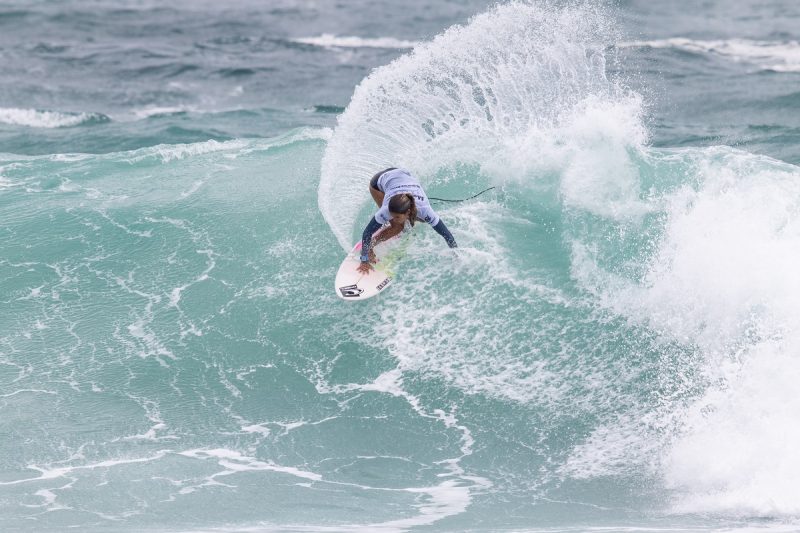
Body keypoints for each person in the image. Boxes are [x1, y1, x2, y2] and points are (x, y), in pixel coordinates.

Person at [357, 167, 457, 274]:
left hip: (400, 175)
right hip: (378, 183)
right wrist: (364, 259)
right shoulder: (386, 210)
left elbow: (446, 234)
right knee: (397, 227)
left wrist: (456, 253)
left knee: (422, 220)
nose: (392, 217)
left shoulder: (425, 210)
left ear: (408, 211)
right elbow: (367, 232)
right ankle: (372, 245)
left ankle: (402, 221)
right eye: (391, 215)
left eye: (397, 216)